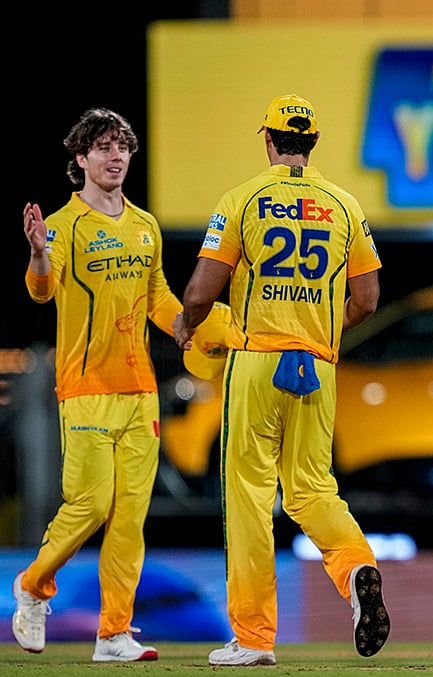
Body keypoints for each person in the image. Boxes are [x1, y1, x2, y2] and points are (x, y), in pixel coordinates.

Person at [172, 93, 389, 667]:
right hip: (317, 363)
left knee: (248, 497)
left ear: (268, 139)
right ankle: (357, 566)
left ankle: (253, 638)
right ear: (312, 143)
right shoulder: (343, 205)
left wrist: (186, 324)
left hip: (257, 361)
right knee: (312, 491)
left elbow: (199, 292)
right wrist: (318, 325)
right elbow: (366, 300)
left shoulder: (242, 200)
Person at [14, 107, 179, 662]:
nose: (116, 157)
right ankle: (32, 588)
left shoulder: (146, 225)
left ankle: (113, 635)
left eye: (123, 147)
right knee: (89, 505)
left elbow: (158, 297)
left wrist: (190, 325)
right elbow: (42, 292)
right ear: (80, 158)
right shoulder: (62, 225)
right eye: (104, 147)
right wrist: (38, 252)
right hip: (85, 389)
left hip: (141, 392)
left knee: (129, 517)